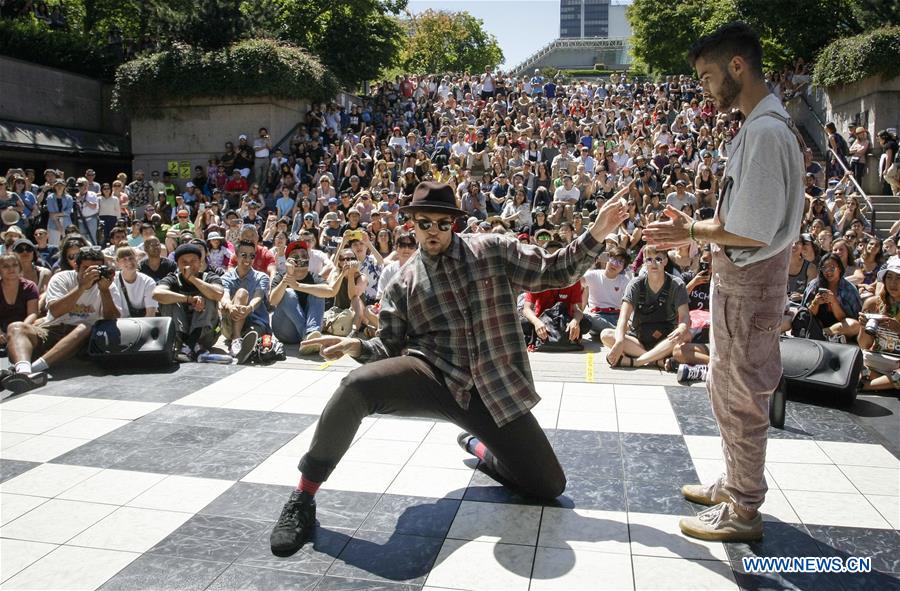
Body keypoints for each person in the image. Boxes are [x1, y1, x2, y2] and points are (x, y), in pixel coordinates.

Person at [267, 181, 626, 557]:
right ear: (413, 225)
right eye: (425, 223)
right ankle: (302, 499)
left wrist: (597, 231)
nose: (433, 231)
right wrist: (355, 345)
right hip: (432, 377)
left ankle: (482, 448)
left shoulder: (492, 250)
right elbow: (386, 346)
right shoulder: (403, 282)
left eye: (442, 223)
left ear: (454, 223)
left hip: (492, 389)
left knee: (549, 485)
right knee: (355, 386)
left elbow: (555, 270)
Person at [644, 22, 805, 542]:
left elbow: (749, 230)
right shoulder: (760, 126)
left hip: (751, 284)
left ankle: (743, 510)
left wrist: (687, 230)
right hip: (744, 281)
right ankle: (736, 483)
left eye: (710, 76)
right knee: (725, 387)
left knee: (742, 396)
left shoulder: (764, 132)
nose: (706, 89)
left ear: (738, 67)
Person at [3, 246, 121, 394]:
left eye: (96, 268)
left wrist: (105, 291)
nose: (91, 272)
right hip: (53, 328)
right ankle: (24, 371)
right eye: (86, 268)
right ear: (76, 266)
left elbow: (112, 318)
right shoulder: (61, 278)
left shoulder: (108, 284)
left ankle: (32, 370)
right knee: (16, 327)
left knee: (85, 326)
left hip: (83, 337)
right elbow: (55, 311)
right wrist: (81, 287)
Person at [600, 245, 691, 369]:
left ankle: (637, 361)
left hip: (667, 339)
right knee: (606, 335)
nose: (654, 263)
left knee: (685, 335)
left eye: (658, 259)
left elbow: (685, 317)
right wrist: (620, 341)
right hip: (638, 340)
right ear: (644, 262)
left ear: (665, 261)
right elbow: (624, 317)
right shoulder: (635, 284)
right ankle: (657, 360)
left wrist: (682, 327)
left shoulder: (677, 284)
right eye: (649, 259)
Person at [152, 244, 225, 361]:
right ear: (177, 265)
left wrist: (192, 278)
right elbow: (157, 293)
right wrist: (188, 299)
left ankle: (190, 345)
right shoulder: (172, 278)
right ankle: (193, 347)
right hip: (179, 334)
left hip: (206, 335)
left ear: (200, 263)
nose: (189, 265)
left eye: (193, 261)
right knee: (167, 299)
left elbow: (218, 294)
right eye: (184, 261)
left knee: (209, 296)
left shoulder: (210, 276)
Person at [270, 241, 326, 353]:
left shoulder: (315, 278)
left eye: (303, 255)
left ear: (308, 259)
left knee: (319, 291)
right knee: (288, 292)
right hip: (285, 331)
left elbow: (330, 292)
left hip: (309, 327)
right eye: (295, 256)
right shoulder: (281, 277)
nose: (300, 258)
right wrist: (288, 277)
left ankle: (309, 335)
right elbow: (272, 301)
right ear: (288, 261)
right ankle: (308, 337)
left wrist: (300, 286)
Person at [220, 240, 271, 363]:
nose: (248, 259)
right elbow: (224, 296)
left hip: (255, 320)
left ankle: (242, 347)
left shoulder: (262, 277)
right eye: (244, 255)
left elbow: (258, 297)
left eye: (252, 256)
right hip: (231, 321)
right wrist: (229, 306)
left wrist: (249, 308)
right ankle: (237, 338)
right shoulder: (226, 277)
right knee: (242, 293)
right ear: (236, 256)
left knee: (253, 334)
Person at [583, 246, 632, 335]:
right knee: (586, 318)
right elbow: (575, 283)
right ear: (608, 259)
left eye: (620, 262)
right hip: (597, 316)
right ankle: (620, 332)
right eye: (613, 259)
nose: (615, 264)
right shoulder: (592, 275)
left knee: (628, 323)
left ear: (623, 268)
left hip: (617, 316)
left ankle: (615, 332)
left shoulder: (625, 281)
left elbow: (630, 302)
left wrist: (627, 321)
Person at [112, 246, 158, 318]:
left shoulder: (148, 282)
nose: (129, 262)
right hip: (118, 323)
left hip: (141, 324)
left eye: (131, 258)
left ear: (137, 259)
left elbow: (150, 314)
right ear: (117, 262)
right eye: (124, 259)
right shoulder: (112, 280)